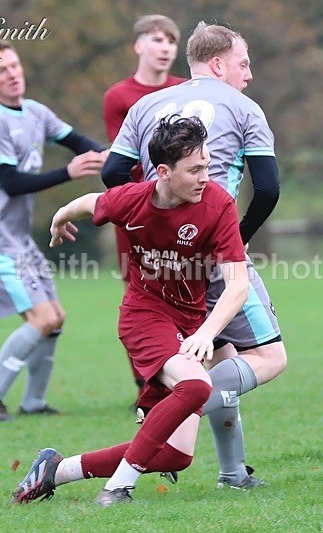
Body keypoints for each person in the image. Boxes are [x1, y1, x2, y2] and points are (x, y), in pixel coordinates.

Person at [12, 116, 249, 507]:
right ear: (164, 172)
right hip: (144, 316)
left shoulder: (218, 204)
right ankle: (119, 487)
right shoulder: (133, 199)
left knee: (176, 455)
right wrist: (59, 217)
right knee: (196, 388)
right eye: (195, 169)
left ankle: (56, 469)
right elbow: (90, 203)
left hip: (189, 324)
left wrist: (206, 332)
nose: (206, 176)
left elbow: (237, 284)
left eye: (207, 165)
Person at [102, 21, 286, 489]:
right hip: (215, 256)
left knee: (222, 354)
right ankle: (171, 400)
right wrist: (234, 239)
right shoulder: (244, 107)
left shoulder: (147, 105)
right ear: (219, 63)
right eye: (244, 64)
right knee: (268, 356)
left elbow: (112, 173)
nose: (249, 75)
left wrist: (156, 227)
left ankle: (231, 473)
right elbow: (267, 189)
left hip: (165, 266)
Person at [0, 40, 108, 421]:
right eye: (1, 70)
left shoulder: (35, 112)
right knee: (41, 319)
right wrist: (68, 173)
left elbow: (79, 143)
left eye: (15, 66)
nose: (12, 74)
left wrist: (117, 157)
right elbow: (11, 182)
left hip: (16, 237)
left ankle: (33, 403)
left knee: (55, 319)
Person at [102, 14, 186, 403]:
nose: (166, 48)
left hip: (180, 210)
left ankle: (178, 371)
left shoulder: (186, 90)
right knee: (141, 292)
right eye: (157, 40)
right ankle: (145, 382)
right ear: (139, 46)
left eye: (171, 41)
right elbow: (123, 164)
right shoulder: (119, 96)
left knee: (184, 286)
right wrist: (142, 205)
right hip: (137, 211)